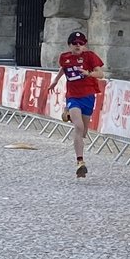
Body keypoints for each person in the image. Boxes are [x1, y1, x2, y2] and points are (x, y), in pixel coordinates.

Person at [49, 31, 105, 178]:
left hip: (88, 96)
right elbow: (64, 68)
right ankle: (80, 162)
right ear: (69, 45)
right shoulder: (65, 57)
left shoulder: (90, 56)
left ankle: (67, 112)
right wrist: (55, 81)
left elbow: (101, 74)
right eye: (75, 43)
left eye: (81, 43)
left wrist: (88, 73)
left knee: (84, 131)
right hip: (73, 96)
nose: (78, 46)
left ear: (84, 45)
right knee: (78, 127)